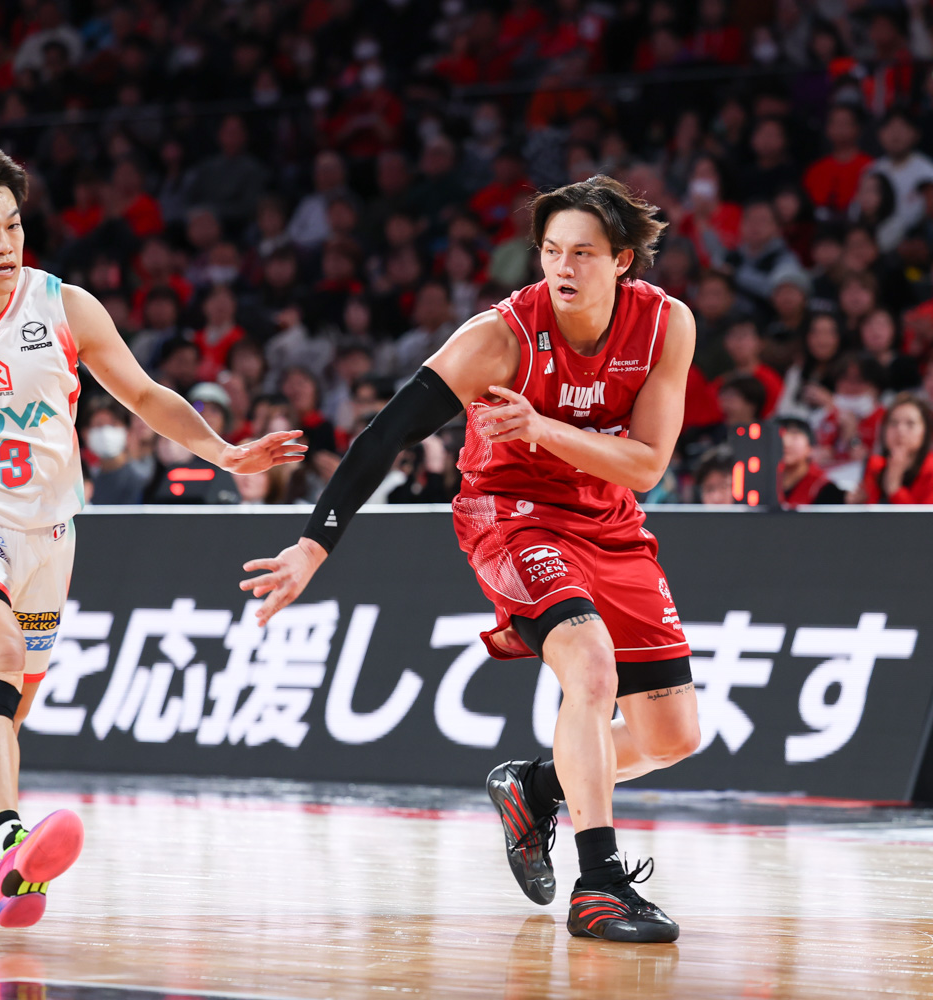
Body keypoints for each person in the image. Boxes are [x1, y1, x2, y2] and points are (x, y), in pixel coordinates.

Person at [0, 132, 304, 928]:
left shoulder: (63, 306)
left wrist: (222, 450)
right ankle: (8, 851)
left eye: (13, 225)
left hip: (47, 534)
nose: (5, 242)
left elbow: (143, 394)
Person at [239, 175, 698, 943]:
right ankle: (599, 884)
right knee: (589, 668)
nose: (563, 267)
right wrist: (315, 544)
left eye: (583, 253)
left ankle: (534, 788)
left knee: (671, 738)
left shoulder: (665, 324)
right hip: (510, 515)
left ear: (623, 260)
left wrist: (543, 429)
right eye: (551, 250)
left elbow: (648, 465)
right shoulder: (500, 337)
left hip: (608, 519)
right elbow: (385, 435)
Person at [849, 394, 933, 505]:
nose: (900, 430)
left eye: (910, 424)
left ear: (925, 431)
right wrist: (856, 506)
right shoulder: (875, 465)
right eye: (893, 423)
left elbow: (931, 515)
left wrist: (894, 488)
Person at [778, 416, 843, 507]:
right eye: (780, 437)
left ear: (810, 447)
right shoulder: (762, 486)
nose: (786, 443)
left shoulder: (826, 490)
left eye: (794, 436)